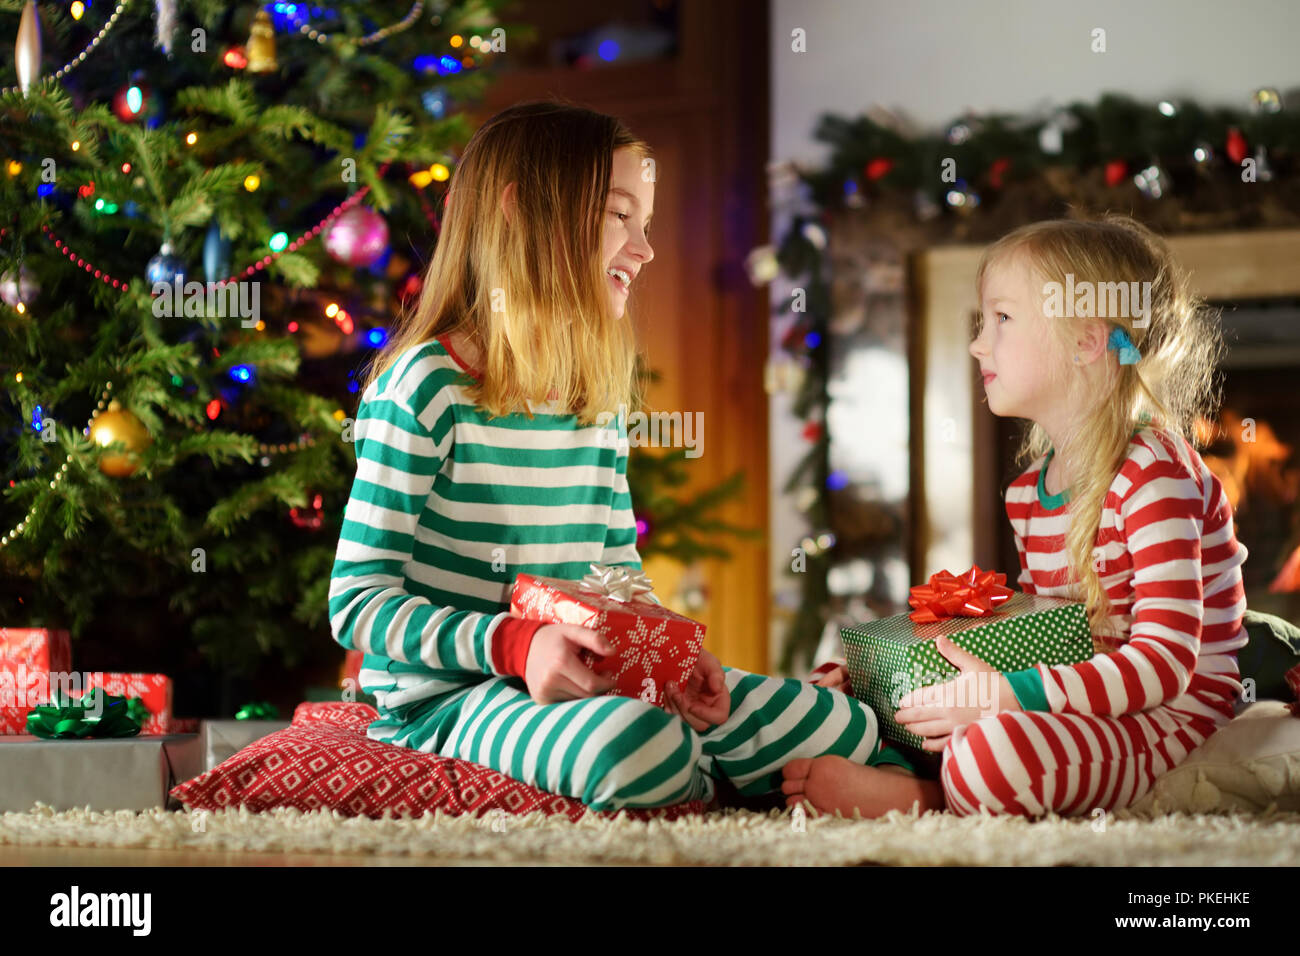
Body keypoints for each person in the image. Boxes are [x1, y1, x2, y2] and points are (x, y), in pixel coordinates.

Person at [328, 100, 927, 814]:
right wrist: (517, 648)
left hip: (592, 678)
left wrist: (669, 655)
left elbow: (616, 575)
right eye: (619, 217)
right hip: (453, 697)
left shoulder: (593, 396)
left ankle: (722, 774)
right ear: (523, 213)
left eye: (645, 225)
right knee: (638, 746)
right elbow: (357, 602)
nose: (644, 250)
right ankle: (715, 781)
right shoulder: (426, 385)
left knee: (839, 721)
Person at [786, 214, 1248, 818]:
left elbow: (1164, 665)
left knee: (990, 754)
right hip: (1083, 702)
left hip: (1169, 718)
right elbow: (1046, 637)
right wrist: (891, 681)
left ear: (1086, 340)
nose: (979, 343)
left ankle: (922, 799)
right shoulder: (1030, 492)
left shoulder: (1155, 475)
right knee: (906, 716)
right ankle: (900, 754)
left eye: (1002, 318)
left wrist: (1007, 696)